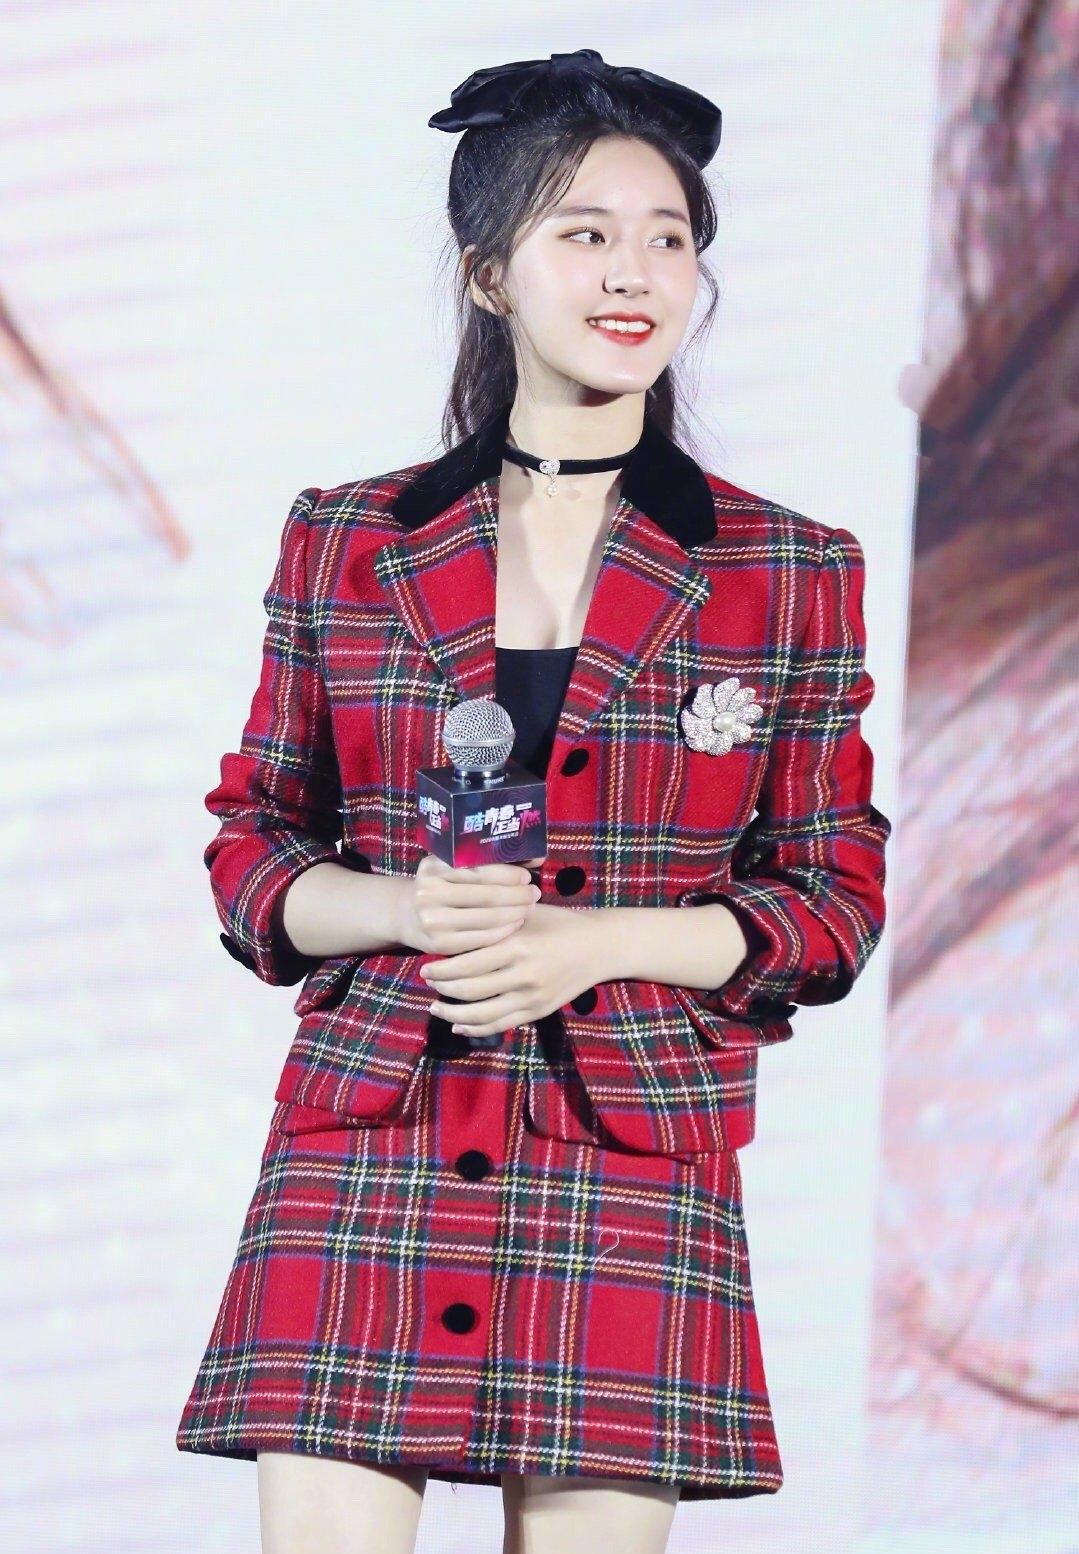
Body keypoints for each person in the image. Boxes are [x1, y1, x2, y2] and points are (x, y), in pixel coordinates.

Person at [175, 48, 891, 1554]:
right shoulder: (351, 537)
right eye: (586, 233)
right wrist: (401, 908)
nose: (634, 273)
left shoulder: (786, 569)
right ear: (491, 274)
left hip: (623, 1149)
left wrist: (597, 944)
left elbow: (831, 903)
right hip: (372, 1134)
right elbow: (254, 845)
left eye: (668, 238)